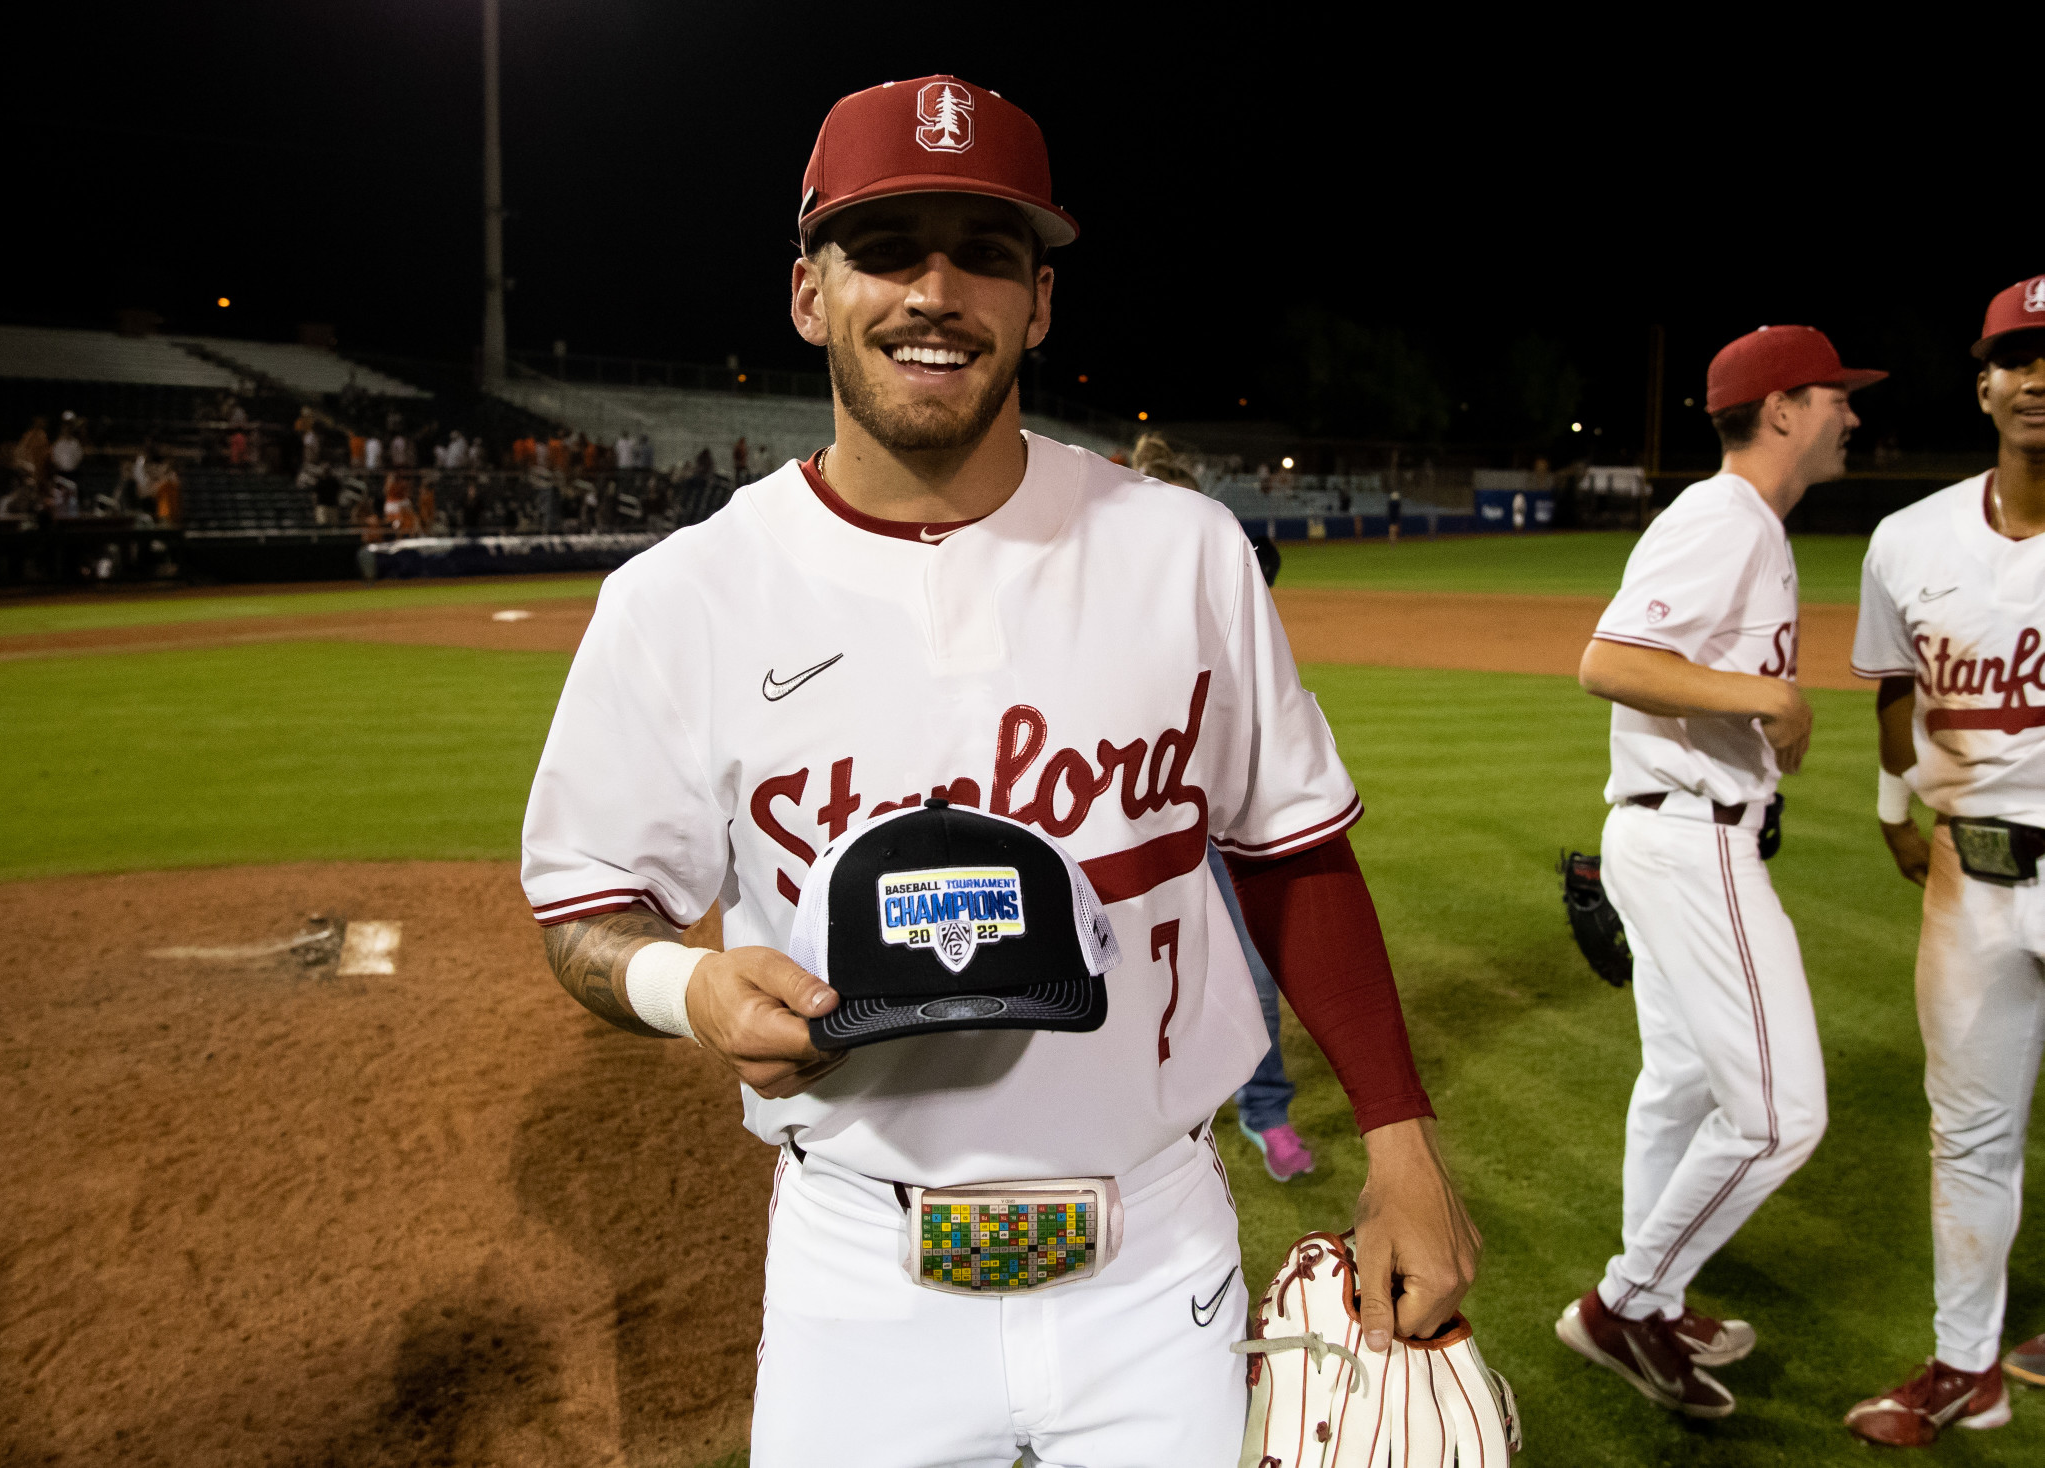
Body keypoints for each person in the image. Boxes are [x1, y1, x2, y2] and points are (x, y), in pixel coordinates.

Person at [520, 76, 1477, 1466]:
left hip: (1158, 1268)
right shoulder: (687, 598)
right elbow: (583, 915)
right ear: (808, 292)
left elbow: (1289, 851)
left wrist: (1400, 1143)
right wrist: (685, 984)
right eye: (887, 245)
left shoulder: (1181, 551)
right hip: (861, 1277)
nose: (934, 290)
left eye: (985, 252)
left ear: (1039, 304)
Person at [1558, 325, 1881, 1418]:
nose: (1850, 412)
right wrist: (1773, 700)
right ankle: (1624, 1301)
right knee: (1782, 1116)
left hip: (1680, 830)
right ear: (1782, 408)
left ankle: (1659, 1293)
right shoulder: (1723, 514)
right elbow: (1609, 659)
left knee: (1683, 1084)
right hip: (1692, 842)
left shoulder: (1751, 524)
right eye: (1836, 396)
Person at [1842, 275, 2045, 1445]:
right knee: (1967, 1131)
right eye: (2018, 357)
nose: (2039, 377)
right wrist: (1889, 808)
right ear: (1984, 385)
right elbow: (1893, 691)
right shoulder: (1907, 538)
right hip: (1971, 879)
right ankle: (1969, 1365)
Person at [1130, 430, 1317, 1183]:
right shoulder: (1098, 589)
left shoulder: (1220, 578)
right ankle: (1146, 1113)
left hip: (1220, 816)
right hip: (1131, 820)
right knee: (1124, 971)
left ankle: (1265, 1111)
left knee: (1255, 973)